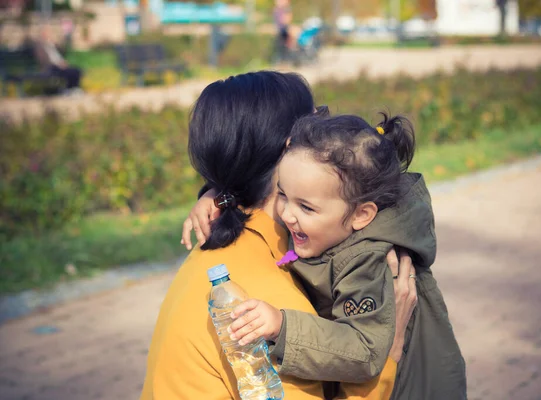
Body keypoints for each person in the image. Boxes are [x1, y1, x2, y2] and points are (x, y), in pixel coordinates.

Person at [141, 71, 418, 400]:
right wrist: (390, 348)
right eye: (318, 121)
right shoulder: (260, 308)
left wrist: (216, 192)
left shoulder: (227, 248)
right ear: (292, 148)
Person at [186, 114, 467, 398]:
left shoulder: (367, 262)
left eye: (306, 208)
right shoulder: (332, 208)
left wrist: (282, 327)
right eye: (283, 194)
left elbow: (364, 351)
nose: (286, 214)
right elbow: (268, 185)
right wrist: (216, 196)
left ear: (361, 214)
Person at [33, 25, 83, 95]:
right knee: (70, 72)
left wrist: (62, 62)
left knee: (76, 70)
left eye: (49, 33)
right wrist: (58, 64)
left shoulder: (51, 45)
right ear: (42, 35)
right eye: (47, 34)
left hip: (59, 65)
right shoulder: (40, 46)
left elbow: (59, 55)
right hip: (51, 67)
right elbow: (45, 60)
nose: (49, 35)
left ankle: (73, 88)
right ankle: (69, 89)